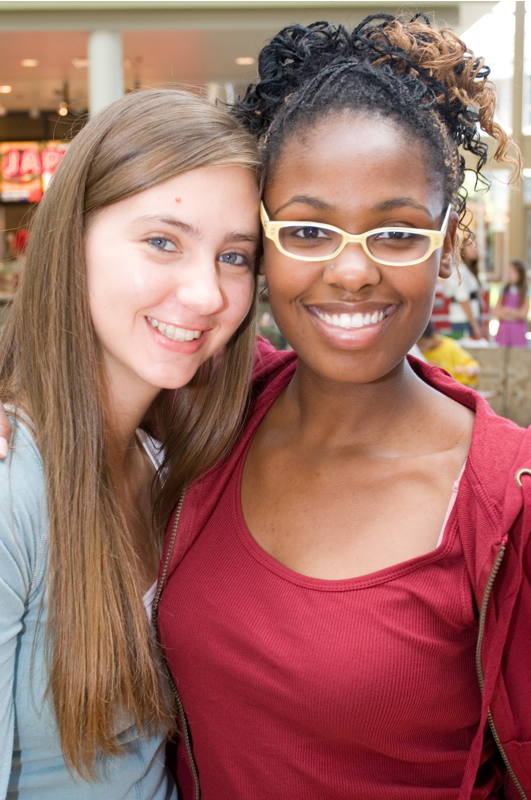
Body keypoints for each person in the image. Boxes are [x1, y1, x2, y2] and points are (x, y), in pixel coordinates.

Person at [154, 16, 531, 800]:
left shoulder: (504, 506)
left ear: (449, 237)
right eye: (308, 229)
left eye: (396, 233)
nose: (351, 271)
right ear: (260, 240)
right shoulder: (206, 408)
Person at [0, 88, 261, 798]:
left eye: (234, 257)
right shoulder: (13, 483)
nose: (207, 294)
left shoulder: (166, 459)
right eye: (161, 241)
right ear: (70, 240)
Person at [417, 320, 480, 386]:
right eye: (416, 345)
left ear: (432, 337)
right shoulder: (418, 353)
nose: (419, 349)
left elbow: (473, 367)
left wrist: (467, 370)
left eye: (422, 344)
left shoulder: (449, 347)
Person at [495, 258, 530, 347]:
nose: (509, 275)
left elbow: (523, 314)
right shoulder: (504, 290)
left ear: (520, 274)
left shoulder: (525, 292)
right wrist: (515, 314)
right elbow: (497, 311)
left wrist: (506, 311)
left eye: (512, 272)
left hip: (518, 331)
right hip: (504, 330)